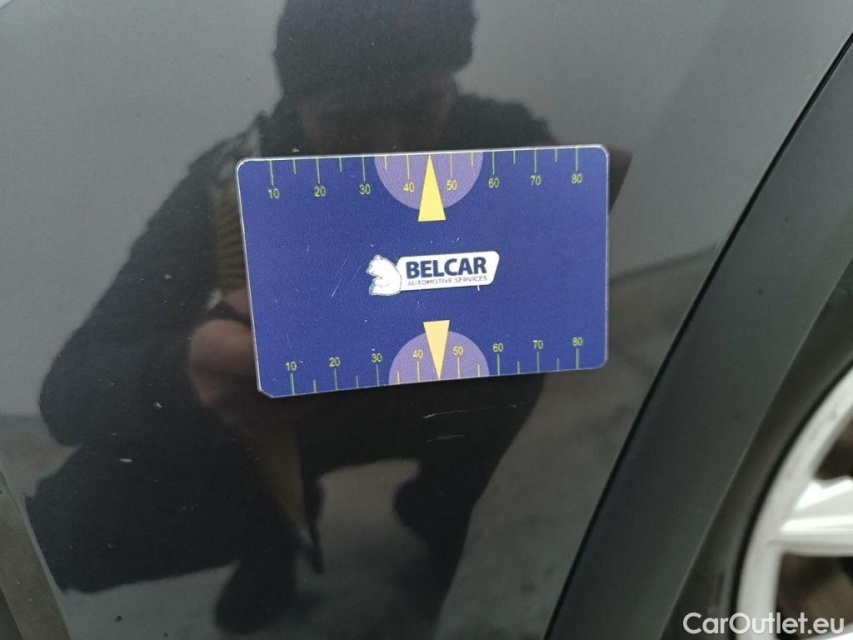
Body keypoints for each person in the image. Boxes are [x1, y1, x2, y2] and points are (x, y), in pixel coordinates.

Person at [27, 0, 554, 634]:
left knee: (517, 377)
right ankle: (272, 536)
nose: (392, 150)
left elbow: (552, 282)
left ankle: (441, 508)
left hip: (442, 388)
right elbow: (69, 391)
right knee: (68, 529)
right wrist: (186, 369)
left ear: (450, 85)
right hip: (285, 417)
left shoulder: (503, 138)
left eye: (422, 107)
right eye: (349, 120)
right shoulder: (230, 181)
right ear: (297, 103)